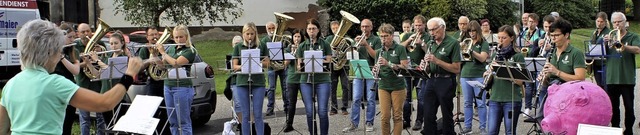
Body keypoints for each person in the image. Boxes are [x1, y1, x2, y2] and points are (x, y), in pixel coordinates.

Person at [0, 19, 142, 135]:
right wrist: (129, 74)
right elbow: (105, 103)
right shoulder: (54, 83)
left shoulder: (11, 84)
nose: (59, 55)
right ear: (49, 52)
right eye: (58, 50)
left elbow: (3, 129)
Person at [534, 18, 587, 121]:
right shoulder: (551, 53)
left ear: (566, 35)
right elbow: (547, 82)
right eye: (551, 36)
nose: (553, 39)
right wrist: (544, 78)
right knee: (543, 119)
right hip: (553, 95)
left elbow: (580, 78)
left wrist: (557, 72)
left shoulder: (576, 53)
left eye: (556, 35)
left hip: (569, 97)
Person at [421, 17, 461, 135]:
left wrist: (437, 61)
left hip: (446, 80)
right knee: (428, 113)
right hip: (432, 79)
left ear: (443, 28)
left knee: (446, 113)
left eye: (434, 29)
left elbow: (456, 68)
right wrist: (425, 66)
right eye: (430, 30)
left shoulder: (453, 43)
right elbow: (429, 68)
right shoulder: (430, 43)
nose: (432, 33)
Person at [155, 25, 198, 135]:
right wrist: (155, 56)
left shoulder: (190, 50)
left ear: (186, 36)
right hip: (168, 85)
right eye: (176, 37)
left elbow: (176, 63)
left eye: (180, 37)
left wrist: (163, 52)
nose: (178, 40)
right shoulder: (172, 48)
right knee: (172, 121)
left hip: (182, 87)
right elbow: (164, 66)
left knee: (183, 121)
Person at [343, 18, 382, 133]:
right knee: (355, 98)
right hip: (358, 70)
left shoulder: (376, 40)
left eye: (367, 26)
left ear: (371, 27)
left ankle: (369, 122)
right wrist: (353, 49)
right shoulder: (357, 40)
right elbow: (351, 58)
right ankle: (354, 123)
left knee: (370, 99)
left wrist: (366, 45)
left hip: (371, 71)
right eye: (362, 26)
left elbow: (376, 56)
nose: (364, 29)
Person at [604, 12, 640, 135]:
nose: (617, 24)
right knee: (613, 108)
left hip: (627, 78)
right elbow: (598, 54)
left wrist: (623, 46)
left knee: (629, 107)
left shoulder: (632, 36)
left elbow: (637, 49)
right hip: (612, 78)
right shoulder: (608, 36)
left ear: (625, 23)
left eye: (619, 21)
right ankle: (615, 129)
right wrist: (604, 43)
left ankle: (628, 130)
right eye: (614, 22)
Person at [485, 25, 525, 135]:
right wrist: (487, 73)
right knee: (492, 132)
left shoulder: (517, 56)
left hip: (511, 99)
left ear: (512, 38)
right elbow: (490, 75)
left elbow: (520, 81)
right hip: (495, 98)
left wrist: (502, 70)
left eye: (504, 38)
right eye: (499, 38)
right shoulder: (495, 55)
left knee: (510, 132)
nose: (500, 41)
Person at [296, 19, 332, 135]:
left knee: (322, 111)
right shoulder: (302, 46)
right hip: (306, 81)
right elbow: (298, 66)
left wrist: (318, 60)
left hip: (322, 80)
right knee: (310, 112)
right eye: (309, 29)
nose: (311, 31)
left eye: (314, 29)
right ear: (306, 31)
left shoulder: (324, 43)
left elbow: (329, 61)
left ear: (318, 30)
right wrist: (304, 64)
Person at [232, 22, 269, 135]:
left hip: (258, 81)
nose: (249, 37)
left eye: (252, 34)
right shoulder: (239, 47)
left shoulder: (261, 45)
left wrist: (257, 63)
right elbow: (234, 66)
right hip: (242, 81)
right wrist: (244, 66)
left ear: (255, 34)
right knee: (245, 114)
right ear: (243, 34)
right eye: (247, 34)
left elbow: (267, 63)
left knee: (257, 114)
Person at [375, 23, 409, 135]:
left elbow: (404, 67)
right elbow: (377, 69)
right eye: (381, 36)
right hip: (383, 85)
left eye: (385, 36)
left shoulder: (400, 48)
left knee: (397, 116)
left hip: (397, 85)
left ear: (392, 36)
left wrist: (388, 63)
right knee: (385, 117)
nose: (383, 39)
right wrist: (375, 71)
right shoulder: (379, 51)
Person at [75, 23, 107, 135]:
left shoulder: (100, 43)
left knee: (100, 116)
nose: (86, 34)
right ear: (78, 34)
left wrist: (98, 55)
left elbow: (104, 62)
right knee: (84, 118)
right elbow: (75, 66)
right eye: (83, 32)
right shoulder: (75, 46)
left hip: (98, 84)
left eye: (88, 31)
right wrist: (88, 62)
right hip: (83, 84)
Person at [399, 15, 430, 131]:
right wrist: (408, 40)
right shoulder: (407, 35)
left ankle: (419, 121)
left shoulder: (428, 36)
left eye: (419, 25)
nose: (417, 28)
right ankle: (406, 120)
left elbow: (430, 52)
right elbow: (399, 48)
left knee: (421, 98)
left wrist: (421, 43)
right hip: (408, 70)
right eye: (416, 25)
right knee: (406, 98)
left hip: (421, 71)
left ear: (424, 25)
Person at [459, 20, 490, 134]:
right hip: (465, 75)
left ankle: (482, 127)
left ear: (478, 31)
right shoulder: (466, 42)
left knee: (480, 103)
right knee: (467, 102)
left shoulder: (483, 43)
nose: (471, 33)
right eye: (469, 31)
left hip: (479, 75)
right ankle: (468, 127)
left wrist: (471, 51)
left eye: (473, 31)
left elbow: (482, 58)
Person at [57, 22, 81, 135]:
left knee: (68, 124)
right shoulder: (51, 51)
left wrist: (61, 57)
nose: (72, 40)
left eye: (73, 37)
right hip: (56, 92)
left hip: (69, 90)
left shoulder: (72, 51)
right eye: (69, 37)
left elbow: (75, 70)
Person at [324, 20, 350, 115]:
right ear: (331, 30)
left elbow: (350, 51)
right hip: (332, 66)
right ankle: (333, 108)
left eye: (337, 28)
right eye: (333, 28)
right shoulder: (328, 39)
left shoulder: (346, 39)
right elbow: (325, 52)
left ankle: (344, 107)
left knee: (345, 87)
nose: (335, 30)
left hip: (344, 66)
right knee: (332, 88)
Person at [263, 21, 288, 116]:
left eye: (273, 28)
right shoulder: (264, 40)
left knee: (285, 88)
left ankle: (287, 107)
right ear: (266, 30)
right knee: (271, 88)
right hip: (271, 67)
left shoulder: (281, 38)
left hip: (282, 66)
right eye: (269, 28)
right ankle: (270, 108)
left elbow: (286, 50)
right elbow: (263, 54)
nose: (271, 30)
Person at [283, 28, 305, 132]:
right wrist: (292, 53)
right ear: (292, 37)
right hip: (291, 78)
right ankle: (289, 124)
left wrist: (299, 51)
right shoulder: (288, 48)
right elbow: (285, 64)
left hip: (303, 78)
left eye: (298, 36)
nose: (297, 39)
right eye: (295, 36)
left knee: (307, 101)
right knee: (291, 103)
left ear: (302, 38)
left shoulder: (304, 47)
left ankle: (311, 122)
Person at [589, 12, 611, 88]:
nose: (599, 23)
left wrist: (609, 40)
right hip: (596, 63)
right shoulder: (594, 32)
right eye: (598, 21)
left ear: (605, 22)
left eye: (601, 22)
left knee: (606, 86)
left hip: (605, 63)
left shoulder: (608, 33)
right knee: (599, 86)